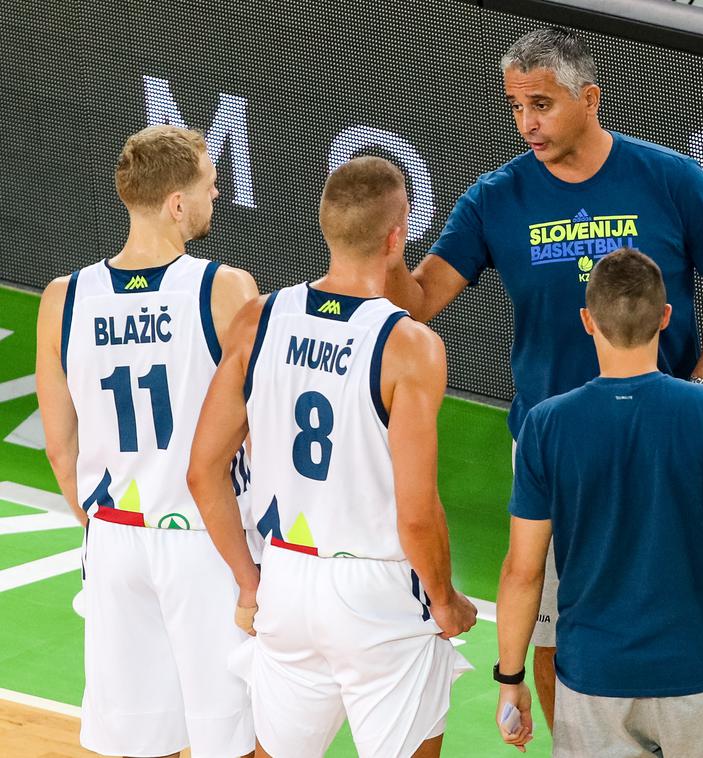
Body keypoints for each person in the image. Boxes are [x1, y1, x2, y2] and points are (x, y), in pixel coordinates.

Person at [387, 27, 703, 727]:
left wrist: (699, 385)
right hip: (554, 453)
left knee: (686, 620)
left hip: (665, 443)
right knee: (555, 637)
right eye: (515, 106)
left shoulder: (673, 180)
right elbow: (421, 300)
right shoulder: (496, 199)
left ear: (589, 98)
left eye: (542, 104)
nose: (526, 123)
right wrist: (378, 248)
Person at [187, 156, 477, 758]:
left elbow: (202, 470)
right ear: (398, 237)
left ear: (325, 226)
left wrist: (249, 581)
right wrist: (445, 599)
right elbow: (417, 512)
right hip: (378, 590)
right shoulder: (410, 345)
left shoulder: (258, 319)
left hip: (287, 578)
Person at [493, 248, 703, 756]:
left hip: (594, 679)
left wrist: (511, 676)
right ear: (666, 317)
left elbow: (523, 570)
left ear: (588, 321)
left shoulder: (545, 425)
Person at [35, 124, 259, 758]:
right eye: (212, 187)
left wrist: (100, 522)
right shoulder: (225, 287)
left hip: (114, 535)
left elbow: (60, 446)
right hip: (206, 541)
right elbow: (261, 424)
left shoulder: (64, 297)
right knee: (232, 739)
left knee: (138, 742)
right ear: (177, 203)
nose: (218, 197)